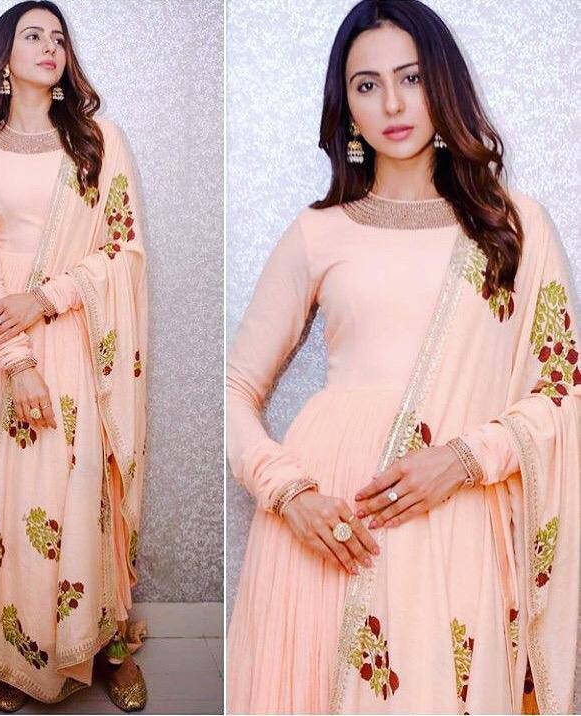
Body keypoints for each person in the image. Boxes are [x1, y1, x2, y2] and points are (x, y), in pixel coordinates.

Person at [225, 1, 579, 713]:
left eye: (410, 78)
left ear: (442, 83)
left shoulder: (514, 227)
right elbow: (233, 386)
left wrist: (466, 458)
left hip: (458, 515)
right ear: (347, 107)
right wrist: (288, 492)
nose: (391, 103)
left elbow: (563, 389)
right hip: (331, 524)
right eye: (367, 84)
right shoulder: (319, 230)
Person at [0, 2, 148, 711]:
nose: (50, 46)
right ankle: (17, 653)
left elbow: (124, 250)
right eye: (33, 35)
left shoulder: (98, 140)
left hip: (77, 331)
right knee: (11, 500)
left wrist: (47, 299)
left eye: (59, 37)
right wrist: (16, 361)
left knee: (84, 488)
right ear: (3, 59)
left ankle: (107, 643)